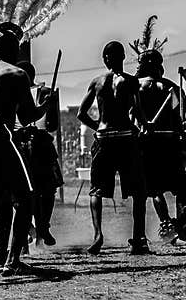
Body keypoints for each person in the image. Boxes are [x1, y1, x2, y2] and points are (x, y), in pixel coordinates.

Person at [0, 26, 52, 276]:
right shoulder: (16, 73)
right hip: (0, 134)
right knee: (25, 197)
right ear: (15, 50)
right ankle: (12, 260)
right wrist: (43, 107)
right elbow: (26, 116)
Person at [77, 41, 149, 256]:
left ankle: (98, 234)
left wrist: (98, 128)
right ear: (123, 57)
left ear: (105, 59)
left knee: (96, 190)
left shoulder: (97, 82)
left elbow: (81, 113)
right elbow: (137, 110)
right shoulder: (130, 81)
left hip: (104, 138)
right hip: (126, 137)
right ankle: (138, 239)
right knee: (139, 191)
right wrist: (143, 126)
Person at [134, 50, 185, 243]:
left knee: (155, 189)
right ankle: (173, 224)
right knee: (177, 187)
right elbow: (181, 117)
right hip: (170, 142)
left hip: (149, 143)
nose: (137, 66)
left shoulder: (137, 88)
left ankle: (169, 223)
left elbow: (132, 114)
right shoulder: (172, 89)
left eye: (140, 62)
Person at [15, 61, 63, 247]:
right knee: (28, 192)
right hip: (22, 145)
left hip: (40, 146)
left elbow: (52, 125)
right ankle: (34, 230)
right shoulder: (16, 94)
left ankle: (42, 226)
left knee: (48, 189)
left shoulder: (44, 93)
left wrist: (48, 106)